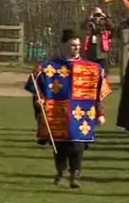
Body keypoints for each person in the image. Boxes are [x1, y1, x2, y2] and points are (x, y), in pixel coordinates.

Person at [25, 29, 113, 189]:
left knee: (77, 144)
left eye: (78, 46)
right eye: (73, 45)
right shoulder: (47, 68)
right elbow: (35, 86)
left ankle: (75, 175)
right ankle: (61, 172)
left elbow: (99, 92)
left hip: (82, 114)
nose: (77, 48)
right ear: (63, 45)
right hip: (57, 113)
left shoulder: (92, 69)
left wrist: (100, 112)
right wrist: (39, 102)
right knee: (59, 146)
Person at [83, 7, 112, 73]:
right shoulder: (89, 24)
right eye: (95, 15)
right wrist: (89, 19)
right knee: (92, 74)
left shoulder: (104, 24)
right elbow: (82, 27)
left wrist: (106, 18)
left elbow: (112, 27)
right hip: (91, 54)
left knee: (102, 74)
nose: (97, 17)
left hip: (101, 54)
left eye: (98, 15)